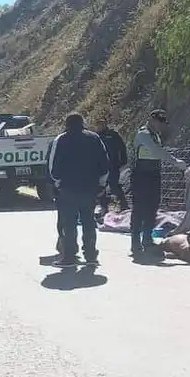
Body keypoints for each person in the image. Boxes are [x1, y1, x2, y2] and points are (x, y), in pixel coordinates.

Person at [48, 112, 110, 267]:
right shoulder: (94, 138)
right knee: (89, 221)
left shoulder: (61, 139)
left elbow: (53, 166)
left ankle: (69, 256)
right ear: (83, 122)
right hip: (89, 188)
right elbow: (105, 164)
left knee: (69, 223)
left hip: (68, 188)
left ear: (66, 124)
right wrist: (101, 184)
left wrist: (57, 183)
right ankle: (91, 256)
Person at [129, 109, 187, 258]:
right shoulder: (143, 134)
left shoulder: (155, 135)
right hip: (141, 175)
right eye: (158, 121)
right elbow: (156, 152)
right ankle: (135, 242)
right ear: (151, 120)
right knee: (139, 209)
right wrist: (176, 162)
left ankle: (147, 240)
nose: (160, 125)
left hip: (153, 175)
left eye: (162, 122)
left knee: (152, 208)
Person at [95, 117, 128, 216]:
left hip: (113, 164)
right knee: (101, 187)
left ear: (106, 124)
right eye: (98, 124)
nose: (100, 126)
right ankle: (104, 207)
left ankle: (124, 206)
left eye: (102, 123)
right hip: (100, 166)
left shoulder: (113, 135)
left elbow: (122, 147)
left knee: (114, 185)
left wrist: (123, 160)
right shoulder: (95, 137)